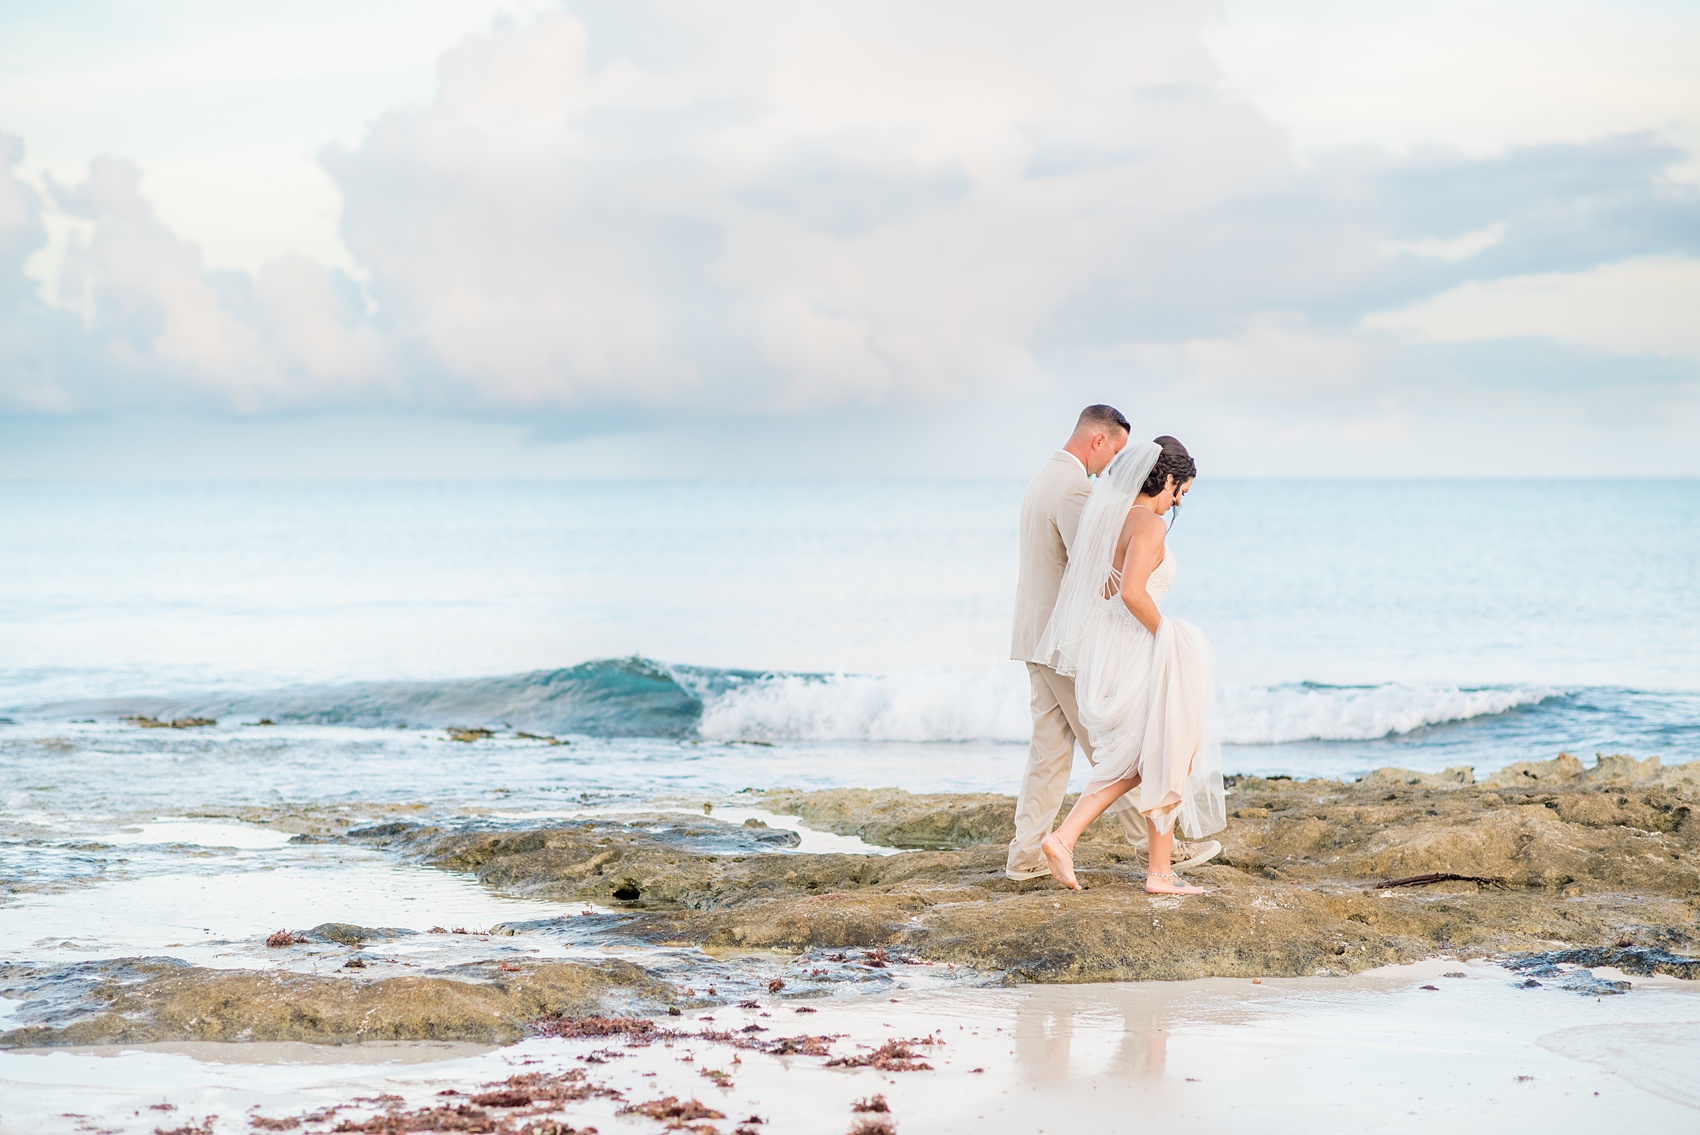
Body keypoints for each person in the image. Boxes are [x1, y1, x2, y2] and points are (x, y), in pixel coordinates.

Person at [1005, 409, 1219, 881]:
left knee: (1050, 752)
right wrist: (1164, 632)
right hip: (1063, 641)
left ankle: (1025, 858)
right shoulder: (1077, 491)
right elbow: (1109, 575)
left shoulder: (1046, 477)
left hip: (1033, 633)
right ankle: (1152, 852)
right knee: (1122, 748)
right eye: (1117, 453)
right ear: (1099, 440)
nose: (1116, 467)